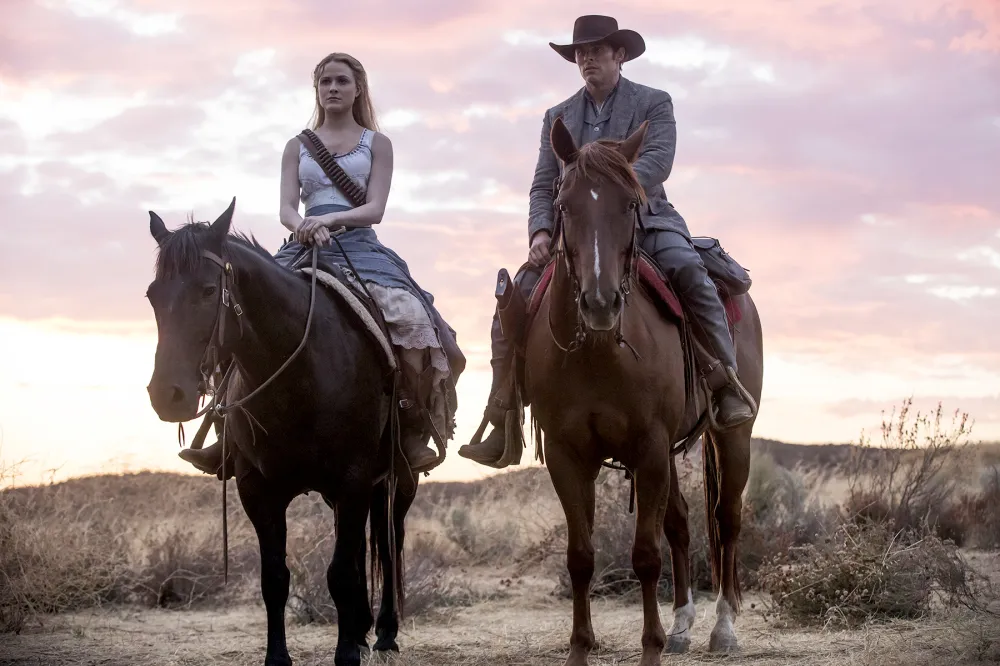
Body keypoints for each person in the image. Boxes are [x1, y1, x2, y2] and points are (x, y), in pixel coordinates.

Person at [458, 15, 755, 468]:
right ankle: (503, 411)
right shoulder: (557, 116)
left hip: (644, 219)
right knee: (513, 299)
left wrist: (608, 185)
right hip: (574, 232)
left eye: (596, 50)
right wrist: (541, 230)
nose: (586, 58)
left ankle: (724, 381)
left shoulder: (655, 103)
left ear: (619, 55)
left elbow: (658, 162)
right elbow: (543, 183)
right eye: (580, 51)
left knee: (690, 272)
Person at [180, 52, 464, 477]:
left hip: (361, 247)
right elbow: (286, 209)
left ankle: (410, 424)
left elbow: (376, 209)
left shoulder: (377, 144)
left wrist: (329, 219)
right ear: (316, 89)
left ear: (358, 89)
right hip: (303, 245)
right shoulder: (297, 145)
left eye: (342, 81)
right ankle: (225, 425)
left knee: (413, 317)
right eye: (325, 81)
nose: (333, 88)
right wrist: (304, 226)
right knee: (246, 309)